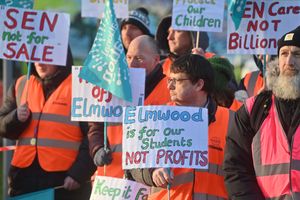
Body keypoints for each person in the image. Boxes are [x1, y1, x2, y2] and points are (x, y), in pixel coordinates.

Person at [130, 54, 233, 199]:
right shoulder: (156, 117)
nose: (169, 86)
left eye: (176, 81)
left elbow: (242, 172)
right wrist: (152, 172)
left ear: (199, 84)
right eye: (169, 80)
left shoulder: (232, 121)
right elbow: (134, 166)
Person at [0, 49, 96, 200]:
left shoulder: (80, 86)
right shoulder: (21, 84)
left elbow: (93, 135)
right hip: (23, 180)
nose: (39, 62)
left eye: (47, 57)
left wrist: (79, 174)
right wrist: (15, 117)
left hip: (64, 183)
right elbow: (3, 127)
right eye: (36, 56)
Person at [223, 26, 300, 199]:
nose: (289, 62)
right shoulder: (254, 109)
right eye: (284, 54)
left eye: (297, 54)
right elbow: (236, 168)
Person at [88, 35, 170, 178]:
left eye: (139, 59)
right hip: (112, 178)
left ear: (156, 60)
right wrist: (97, 149)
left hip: (149, 182)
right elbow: (97, 126)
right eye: (129, 57)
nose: (132, 64)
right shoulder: (113, 87)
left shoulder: (170, 90)